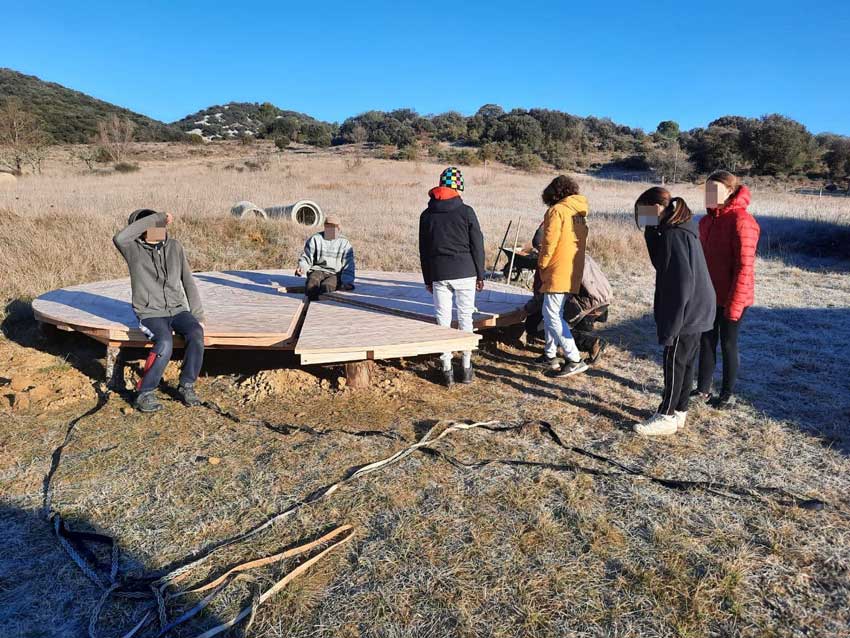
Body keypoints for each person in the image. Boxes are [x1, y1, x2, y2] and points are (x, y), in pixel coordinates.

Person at [633, 188, 715, 436]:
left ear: (657, 207)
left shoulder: (674, 235)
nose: (642, 217)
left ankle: (666, 415)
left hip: (688, 308)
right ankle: (680, 411)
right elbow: (661, 262)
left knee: (674, 362)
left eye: (644, 212)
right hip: (700, 305)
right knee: (686, 362)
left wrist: (672, 324)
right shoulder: (680, 227)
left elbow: (680, 283)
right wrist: (650, 229)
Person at [113, 209, 205, 413]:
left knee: (196, 333)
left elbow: (188, 281)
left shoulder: (174, 246)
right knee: (164, 342)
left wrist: (198, 315)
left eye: (159, 224)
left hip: (177, 309)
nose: (156, 228)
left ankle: (187, 385)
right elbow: (119, 237)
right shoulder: (132, 250)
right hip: (150, 313)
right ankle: (144, 392)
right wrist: (157, 217)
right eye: (150, 225)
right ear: (140, 229)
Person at [694, 171, 760, 409]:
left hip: (734, 296)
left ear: (730, 191)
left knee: (728, 344)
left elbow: (745, 267)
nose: (709, 195)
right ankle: (702, 389)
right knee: (706, 341)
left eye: (715, 190)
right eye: (706, 190)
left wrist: (735, 304)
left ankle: (727, 393)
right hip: (709, 295)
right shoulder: (705, 221)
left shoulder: (743, 221)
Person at [418, 167, 485, 386]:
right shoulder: (466, 211)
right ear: (459, 188)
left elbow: (424, 250)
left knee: (442, 321)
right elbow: (477, 245)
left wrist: (428, 278)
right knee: (466, 318)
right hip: (465, 271)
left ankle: (446, 369)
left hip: (439, 272)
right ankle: (465, 368)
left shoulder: (426, 215)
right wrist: (480, 274)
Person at [524, 219, 610, 366]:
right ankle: (549, 354)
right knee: (551, 316)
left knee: (541, 322)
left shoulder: (556, 261)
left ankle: (591, 344)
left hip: (587, 304)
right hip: (601, 301)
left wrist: (526, 309)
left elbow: (547, 294)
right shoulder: (573, 250)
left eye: (540, 248)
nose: (539, 252)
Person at [535, 175, 590, 378]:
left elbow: (549, 242)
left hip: (558, 268)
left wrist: (542, 263)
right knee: (550, 311)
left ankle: (574, 358)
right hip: (573, 268)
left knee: (551, 314)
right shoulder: (579, 212)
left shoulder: (557, 211)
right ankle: (549, 353)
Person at [295, 215, 356, 301]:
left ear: (338, 228)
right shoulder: (315, 239)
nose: (331, 229)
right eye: (328, 226)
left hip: (335, 274)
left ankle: (321, 307)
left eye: (333, 227)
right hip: (317, 270)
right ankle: (308, 306)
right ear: (324, 226)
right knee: (311, 284)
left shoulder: (345, 243)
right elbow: (306, 258)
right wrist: (302, 268)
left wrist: (348, 282)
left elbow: (348, 265)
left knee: (327, 287)